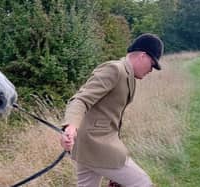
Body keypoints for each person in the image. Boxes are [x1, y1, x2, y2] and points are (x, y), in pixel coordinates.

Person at [60, 33, 164, 187]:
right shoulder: (115, 69)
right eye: (152, 64)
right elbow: (81, 99)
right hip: (97, 145)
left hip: (87, 147)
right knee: (142, 183)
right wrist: (71, 126)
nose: (151, 70)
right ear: (142, 56)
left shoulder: (129, 75)